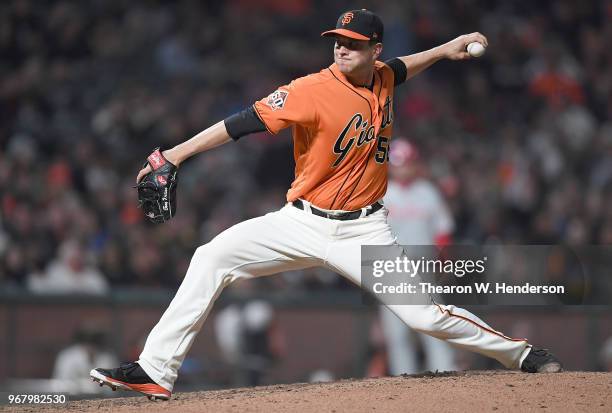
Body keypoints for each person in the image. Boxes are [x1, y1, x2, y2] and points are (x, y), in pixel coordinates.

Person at [91, 9, 561, 401]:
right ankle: (155, 368)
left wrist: (443, 49)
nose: (342, 49)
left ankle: (520, 354)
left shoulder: (382, 77)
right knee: (211, 256)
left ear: (374, 50)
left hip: (365, 232)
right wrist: (174, 154)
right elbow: (239, 123)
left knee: (425, 317)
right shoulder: (310, 89)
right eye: (338, 40)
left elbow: (401, 68)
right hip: (300, 221)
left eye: (353, 43)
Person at [380, 139, 458, 375]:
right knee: (396, 333)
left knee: (434, 324)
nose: (402, 168)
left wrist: (444, 263)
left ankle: (444, 372)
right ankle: (404, 382)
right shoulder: (381, 193)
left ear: (415, 164)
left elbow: (443, 232)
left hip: (423, 267)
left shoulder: (428, 192)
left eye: (406, 163)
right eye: (397, 164)